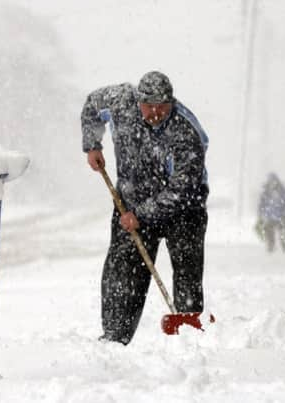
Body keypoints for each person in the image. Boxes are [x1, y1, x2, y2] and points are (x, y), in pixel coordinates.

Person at [80, 71, 209, 345]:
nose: (154, 112)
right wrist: (92, 145)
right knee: (123, 269)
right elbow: (92, 105)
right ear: (138, 99)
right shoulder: (120, 103)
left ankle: (188, 333)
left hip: (184, 210)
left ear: (171, 102)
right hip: (131, 201)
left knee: (187, 267)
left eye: (161, 105)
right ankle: (115, 336)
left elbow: (182, 190)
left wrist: (141, 216)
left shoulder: (186, 133)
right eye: (148, 105)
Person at [256, 173, 285, 252]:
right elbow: (261, 204)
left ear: (277, 181)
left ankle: (284, 248)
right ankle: (271, 246)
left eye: (273, 181)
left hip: (282, 217)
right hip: (270, 217)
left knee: (282, 234)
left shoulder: (283, 191)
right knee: (268, 231)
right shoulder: (266, 192)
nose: (272, 183)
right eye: (270, 181)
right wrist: (261, 214)